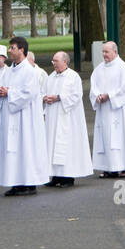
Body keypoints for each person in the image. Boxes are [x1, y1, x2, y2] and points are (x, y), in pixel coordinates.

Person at [0, 37, 49, 195]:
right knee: (13, 149)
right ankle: (15, 181)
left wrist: (9, 93)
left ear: (21, 50)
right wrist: (1, 92)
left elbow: (29, 93)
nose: (9, 51)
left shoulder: (29, 71)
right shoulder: (10, 70)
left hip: (25, 117)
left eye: (12, 48)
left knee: (25, 148)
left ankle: (28, 183)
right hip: (11, 116)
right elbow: (3, 88)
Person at [92, 40, 125, 177]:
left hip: (120, 111)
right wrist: (97, 96)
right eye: (103, 52)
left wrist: (109, 95)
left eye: (106, 52)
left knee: (122, 137)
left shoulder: (122, 67)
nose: (104, 54)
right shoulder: (99, 69)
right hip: (104, 110)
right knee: (106, 138)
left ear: (115, 52)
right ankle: (109, 168)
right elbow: (93, 86)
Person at [41, 51, 92, 187]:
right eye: (53, 61)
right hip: (53, 117)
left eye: (56, 61)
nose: (54, 64)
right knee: (52, 145)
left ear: (65, 62)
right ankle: (56, 176)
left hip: (68, 118)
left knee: (67, 146)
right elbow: (44, 92)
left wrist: (58, 98)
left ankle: (68, 177)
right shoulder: (50, 77)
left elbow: (76, 95)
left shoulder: (73, 77)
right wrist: (45, 98)